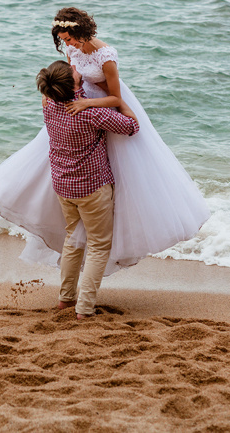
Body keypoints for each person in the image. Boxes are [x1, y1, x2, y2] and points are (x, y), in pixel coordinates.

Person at [0, 7, 210, 275]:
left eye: (70, 38)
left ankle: (109, 233)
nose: (68, 45)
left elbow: (116, 98)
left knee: (121, 174)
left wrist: (88, 104)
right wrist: (62, 98)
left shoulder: (106, 57)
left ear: (81, 31)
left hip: (101, 106)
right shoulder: (72, 50)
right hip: (78, 106)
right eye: (64, 40)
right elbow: (71, 76)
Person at [36, 60, 139, 319]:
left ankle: (66, 298)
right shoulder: (91, 113)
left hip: (62, 184)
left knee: (72, 238)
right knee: (99, 245)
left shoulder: (48, 104)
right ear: (72, 84)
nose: (77, 68)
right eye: (73, 70)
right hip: (92, 187)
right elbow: (132, 126)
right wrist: (118, 98)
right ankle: (84, 309)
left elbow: (59, 86)